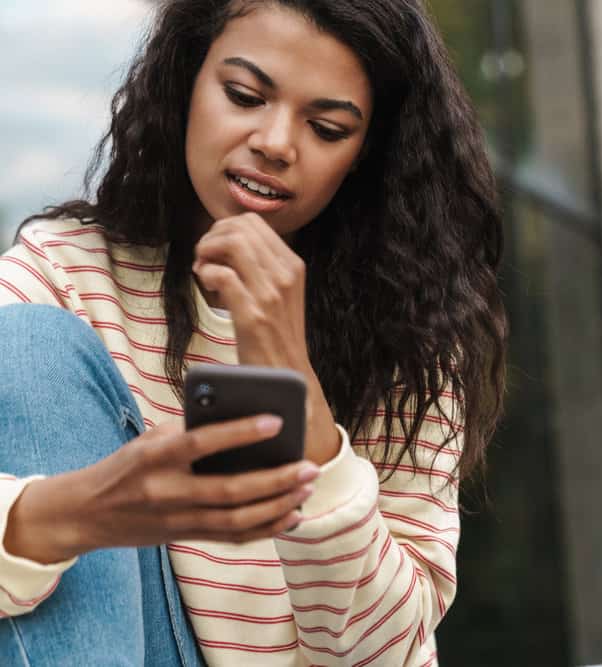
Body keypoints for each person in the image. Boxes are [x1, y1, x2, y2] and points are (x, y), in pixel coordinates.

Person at [0, 0, 506, 665]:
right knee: (31, 339)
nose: (275, 142)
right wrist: (73, 512)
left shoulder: (413, 341)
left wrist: (293, 384)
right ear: (187, 82)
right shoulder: (65, 270)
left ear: (363, 154)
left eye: (326, 128)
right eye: (243, 95)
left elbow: (381, 651)